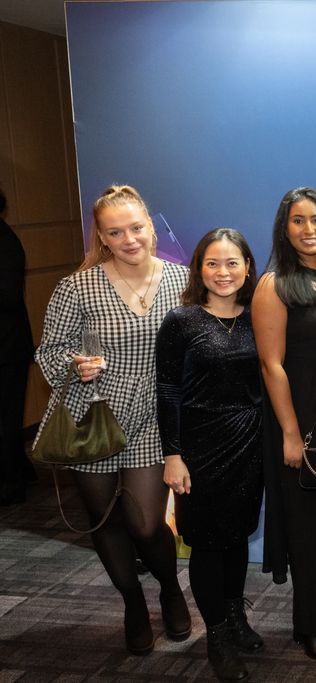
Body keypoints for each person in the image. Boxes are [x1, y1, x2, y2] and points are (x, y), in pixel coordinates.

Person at [34, 184, 192, 655]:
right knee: (104, 519)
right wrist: (76, 364)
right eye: (115, 232)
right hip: (95, 414)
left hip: (155, 415)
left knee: (145, 524)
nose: (129, 239)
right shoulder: (77, 286)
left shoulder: (182, 281)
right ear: (102, 237)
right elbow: (50, 350)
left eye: (136, 228)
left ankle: (170, 589)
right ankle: (132, 603)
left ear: (150, 226)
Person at [252, 187, 316, 664]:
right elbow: (271, 365)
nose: (309, 229)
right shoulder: (274, 285)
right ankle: (312, 629)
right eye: (298, 220)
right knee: (310, 526)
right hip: (299, 417)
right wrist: (291, 434)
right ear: (284, 228)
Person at [156, 228, 264, 680]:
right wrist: (173, 455)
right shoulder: (181, 321)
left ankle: (236, 617)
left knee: (237, 536)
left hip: (249, 443)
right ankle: (216, 635)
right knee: (205, 543)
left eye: (232, 262)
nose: (223, 272)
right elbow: (167, 390)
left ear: (247, 267)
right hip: (199, 448)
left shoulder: (259, 316)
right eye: (213, 263)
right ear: (199, 268)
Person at [0, 186, 37, 505]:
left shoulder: (4, 240)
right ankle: (21, 471)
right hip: (7, 345)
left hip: (7, 347)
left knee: (6, 419)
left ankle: (12, 483)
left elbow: (8, 295)